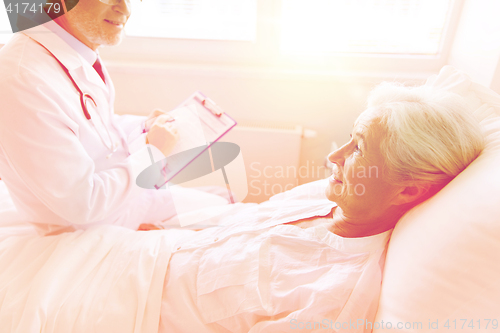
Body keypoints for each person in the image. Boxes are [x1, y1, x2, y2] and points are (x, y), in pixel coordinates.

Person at [155, 82, 485, 332]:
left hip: (137, 306)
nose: (333, 156)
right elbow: (242, 220)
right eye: (349, 138)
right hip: (153, 248)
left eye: (359, 149)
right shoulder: (323, 198)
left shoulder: (333, 297)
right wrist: (167, 224)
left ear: (408, 189)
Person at [0, 0, 180, 235]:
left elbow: (88, 127)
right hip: (85, 231)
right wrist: (152, 155)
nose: (126, 9)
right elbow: (81, 202)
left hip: (114, 205)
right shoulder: (22, 77)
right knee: (218, 213)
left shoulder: (75, 47)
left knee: (220, 200)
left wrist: (142, 128)